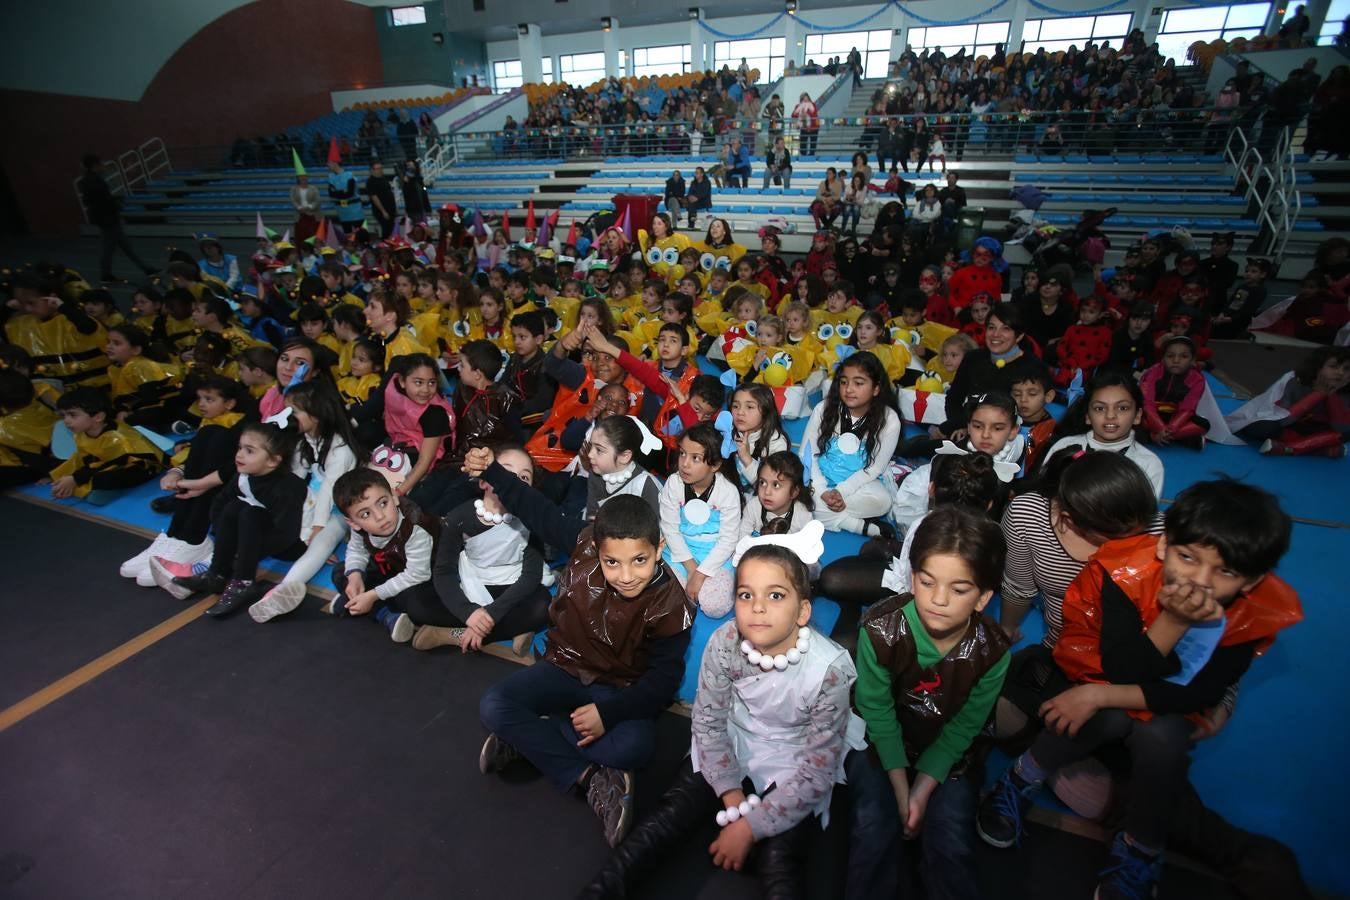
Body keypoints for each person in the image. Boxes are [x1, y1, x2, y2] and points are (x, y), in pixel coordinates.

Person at [978, 480, 1302, 900]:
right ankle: (1023, 778)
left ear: (1251, 580)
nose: (1200, 582)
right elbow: (1118, 667)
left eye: (1225, 571)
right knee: (1088, 720)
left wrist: (1098, 695)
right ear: (1165, 545)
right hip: (1089, 678)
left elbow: (1195, 696)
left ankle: (1139, 848)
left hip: (1151, 708)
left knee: (1161, 738)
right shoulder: (1125, 574)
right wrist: (1171, 624)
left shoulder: (1250, 614)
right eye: (1189, 558)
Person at [579, 522, 863, 898]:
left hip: (796, 753)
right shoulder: (726, 641)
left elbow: (815, 771)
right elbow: (709, 722)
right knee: (668, 817)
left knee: (781, 859)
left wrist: (748, 827)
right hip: (735, 734)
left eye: (776, 596)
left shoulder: (829, 671)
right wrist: (730, 792)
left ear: (803, 610)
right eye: (746, 595)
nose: (758, 607)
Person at [477, 494, 695, 847]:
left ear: (660, 548)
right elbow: (537, 509)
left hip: (620, 689)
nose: (626, 575)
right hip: (566, 666)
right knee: (494, 706)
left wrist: (607, 714)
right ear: (596, 550)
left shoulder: (672, 607)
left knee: (634, 750)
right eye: (612, 562)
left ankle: (533, 737)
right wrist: (491, 469)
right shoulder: (583, 543)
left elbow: (662, 683)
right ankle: (589, 777)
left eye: (639, 560)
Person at [846, 505, 1011, 900]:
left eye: (959, 589)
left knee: (951, 840)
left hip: (950, 755)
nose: (939, 599)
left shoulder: (992, 651)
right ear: (912, 577)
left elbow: (964, 727)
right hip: (878, 743)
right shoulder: (880, 630)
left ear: (983, 597)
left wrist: (923, 789)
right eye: (927, 581)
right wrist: (903, 790)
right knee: (872, 828)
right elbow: (878, 713)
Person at [153, 415, 309, 617]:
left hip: (290, 545)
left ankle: (244, 582)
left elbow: (286, 533)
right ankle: (217, 574)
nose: (239, 455)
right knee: (233, 507)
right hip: (254, 537)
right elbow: (219, 504)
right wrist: (226, 538)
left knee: (251, 513)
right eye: (240, 447)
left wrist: (248, 551)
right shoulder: (243, 476)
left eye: (249, 451)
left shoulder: (288, 488)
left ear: (272, 461)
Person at [413, 446, 553, 654]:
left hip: (511, 586)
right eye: (506, 473)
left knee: (542, 606)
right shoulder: (458, 518)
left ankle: (453, 634)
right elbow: (444, 572)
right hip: (473, 581)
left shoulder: (530, 520)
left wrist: (490, 615)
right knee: (417, 602)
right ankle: (513, 630)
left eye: (524, 478)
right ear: (484, 481)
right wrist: (469, 613)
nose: (514, 482)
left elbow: (530, 576)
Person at [325, 467, 440, 643]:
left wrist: (373, 595)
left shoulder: (415, 527)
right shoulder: (360, 529)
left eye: (383, 503)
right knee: (341, 571)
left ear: (394, 497)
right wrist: (355, 576)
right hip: (391, 567)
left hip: (426, 576)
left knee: (418, 606)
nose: (379, 516)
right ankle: (384, 613)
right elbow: (356, 550)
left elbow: (418, 574)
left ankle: (370, 605)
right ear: (353, 523)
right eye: (365, 514)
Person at [803, 352, 902, 536]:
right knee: (797, 495)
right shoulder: (824, 409)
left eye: (858, 383)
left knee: (883, 501)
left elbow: (874, 468)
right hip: (819, 478)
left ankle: (821, 511)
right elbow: (807, 455)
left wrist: (841, 491)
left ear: (876, 388)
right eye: (843, 382)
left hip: (859, 482)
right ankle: (860, 526)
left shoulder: (889, 420)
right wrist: (822, 490)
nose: (849, 389)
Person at [659, 423, 743, 617]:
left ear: (714, 465)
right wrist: (690, 569)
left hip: (715, 554)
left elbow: (728, 540)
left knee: (715, 606)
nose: (684, 463)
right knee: (666, 600)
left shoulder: (728, 492)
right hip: (679, 551)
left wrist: (701, 574)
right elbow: (670, 530)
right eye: (682, 454)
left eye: (695, 458)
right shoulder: (673, 483)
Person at [1040, 371, 1166, 497]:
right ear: (1088, 416)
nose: (1110, 416)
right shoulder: (1064, 447)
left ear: (1137, 415)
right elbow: (1045, 495)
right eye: (1100, 408)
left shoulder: (1148, 463)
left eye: (1122, 408)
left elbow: (1145, 513)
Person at [1226, 345, 1350, 457]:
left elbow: (1341, 427)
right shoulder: (1294, 380)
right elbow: (1282, 419)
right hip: (1286, 426)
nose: (1340, 373)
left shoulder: (1345, 389)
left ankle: (1289, 448)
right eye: (1333, 366)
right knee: (1264, 429)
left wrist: (1332, 394)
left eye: (1346, 369)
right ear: (1317, 366)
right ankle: (1317, 448)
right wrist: (1319, 394)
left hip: (1315, 428)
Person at [46, 387, 163, 504]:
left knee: (102, 480)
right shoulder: (81, 434)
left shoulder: (116, 436)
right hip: (107, 464)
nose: (66, 421)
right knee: (65, 471)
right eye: (63, 416)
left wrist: (76, 479)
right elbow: (88, 459)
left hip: (140, 466)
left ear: (98, 417)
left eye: (72, 415)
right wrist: (71, 477)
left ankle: (97, 489)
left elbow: (116, 464)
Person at [77, 154, 157, 284]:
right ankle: (107, 274)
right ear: (95, 165)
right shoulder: (95, 181)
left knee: (122, 246)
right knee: (111, 248)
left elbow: (94, 201)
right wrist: (116, 205)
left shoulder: (86, 181)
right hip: (108, 219)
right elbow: (103, 199)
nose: (103, 166)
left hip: (104, 218)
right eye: (100, 164)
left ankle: (145, 269)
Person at [1139, 336, 1210, 450]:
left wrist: (1171, 429)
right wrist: (1160, 427)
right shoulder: (1152, 372)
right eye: (1170, 356)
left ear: (1192, 360)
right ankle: (1181, 439)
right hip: (1150, 415)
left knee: (1204, 424)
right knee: (1132, 419)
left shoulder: (1197, 379)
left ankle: (1156, 437)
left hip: (1176, 417)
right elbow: (1147, 404)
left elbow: (1187, 409)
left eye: (1184, 356)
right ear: (1163, 358)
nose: (1176, 361)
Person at [363, 160, 397, 239]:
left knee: (390, 229)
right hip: (382, 210)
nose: (380, 170)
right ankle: (384, 245)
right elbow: (374, 198)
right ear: (372, 170)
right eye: (377, 168)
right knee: (386, 229)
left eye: (380, 168)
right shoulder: (371, 182)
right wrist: (383, 211)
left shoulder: (383, 178)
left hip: (390, 208)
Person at [792, 92, 820, 157]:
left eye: (806, 99)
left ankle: (811, 156)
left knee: (813, 143)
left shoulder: (812, 105)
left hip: (813, 127)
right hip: (804, 127)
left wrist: (807, 114)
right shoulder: (798, 106)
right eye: (804, 99)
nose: (805, 100)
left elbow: (814, 114)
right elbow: (793, 115)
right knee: (803, 144)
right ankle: (803, 156)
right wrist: (800, 114)